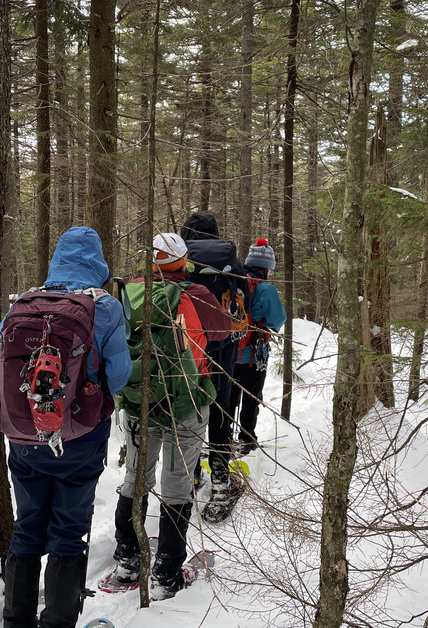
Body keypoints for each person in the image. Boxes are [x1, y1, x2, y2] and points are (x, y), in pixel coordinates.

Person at [0, 227, 131, 628]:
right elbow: (120, 375)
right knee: (68, 531)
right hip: (79, 437)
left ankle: (16, 622)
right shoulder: (106, 308)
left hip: (24, 438)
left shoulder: (25, 301)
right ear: (99, 262)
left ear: (57, 258)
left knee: (27, 528)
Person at [107, 232, 231, 600]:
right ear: (182, 260)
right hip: (185, 403)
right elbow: (222, 331)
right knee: (177, 485)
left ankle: (127, 560)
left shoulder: (129, 291)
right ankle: (166, 574)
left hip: (137, 403)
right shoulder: (197, 294)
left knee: (135, 477)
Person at [179, 212, 245, 510]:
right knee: (221, 406)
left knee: (188, 408)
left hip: (186, 346)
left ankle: (189, 475)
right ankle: (219, 479)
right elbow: (244, 300)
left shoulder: (178, 257)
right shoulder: (230, 259)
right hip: (223, 347)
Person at [232, 238, 286, 455]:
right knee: (251, 399)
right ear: (267, 268)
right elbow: (277, 321)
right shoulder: (266, 289)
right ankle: (247, 439)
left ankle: (222, 439)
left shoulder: (233, 281)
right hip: (254, 356)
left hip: (229, 353)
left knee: (228, 399)